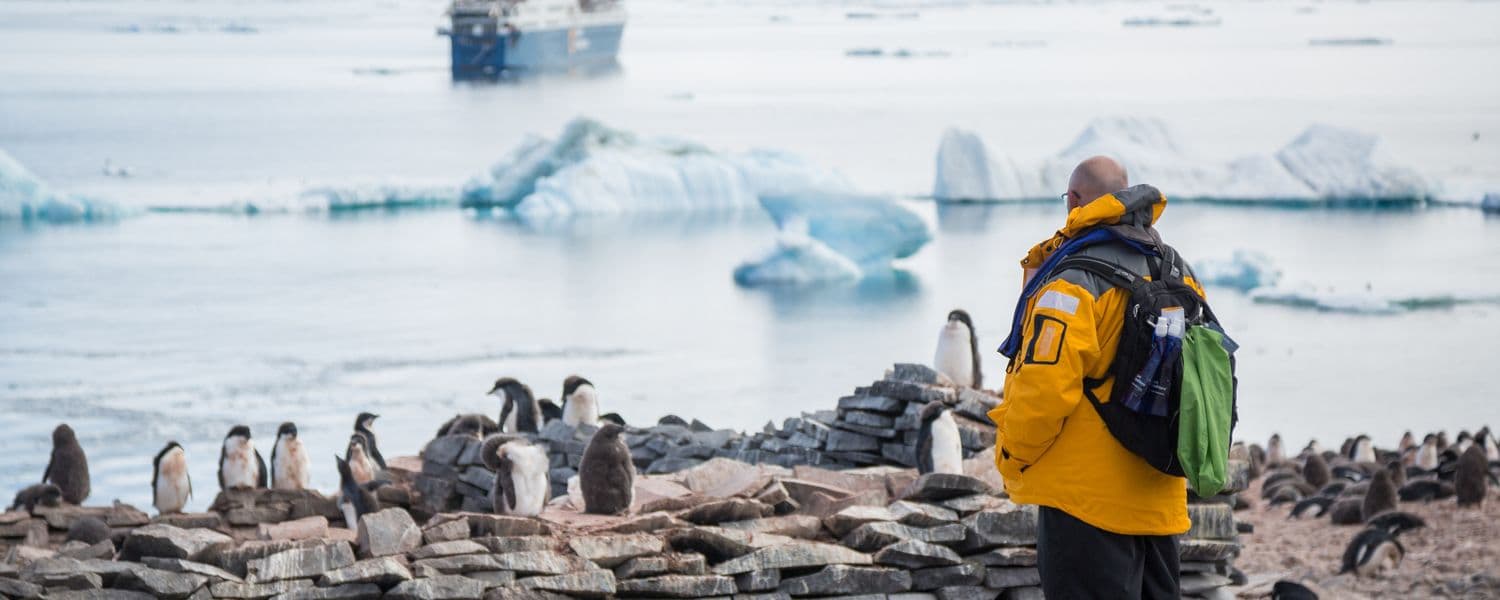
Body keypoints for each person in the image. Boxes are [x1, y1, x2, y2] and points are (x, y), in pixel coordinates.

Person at [989, 156, 1204, 599]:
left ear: (1073, 200)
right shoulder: (1175, 269)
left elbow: (1044, 391)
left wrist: (1012, 454)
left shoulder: (1072, 282)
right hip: (1159, 498)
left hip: (1084, 504)